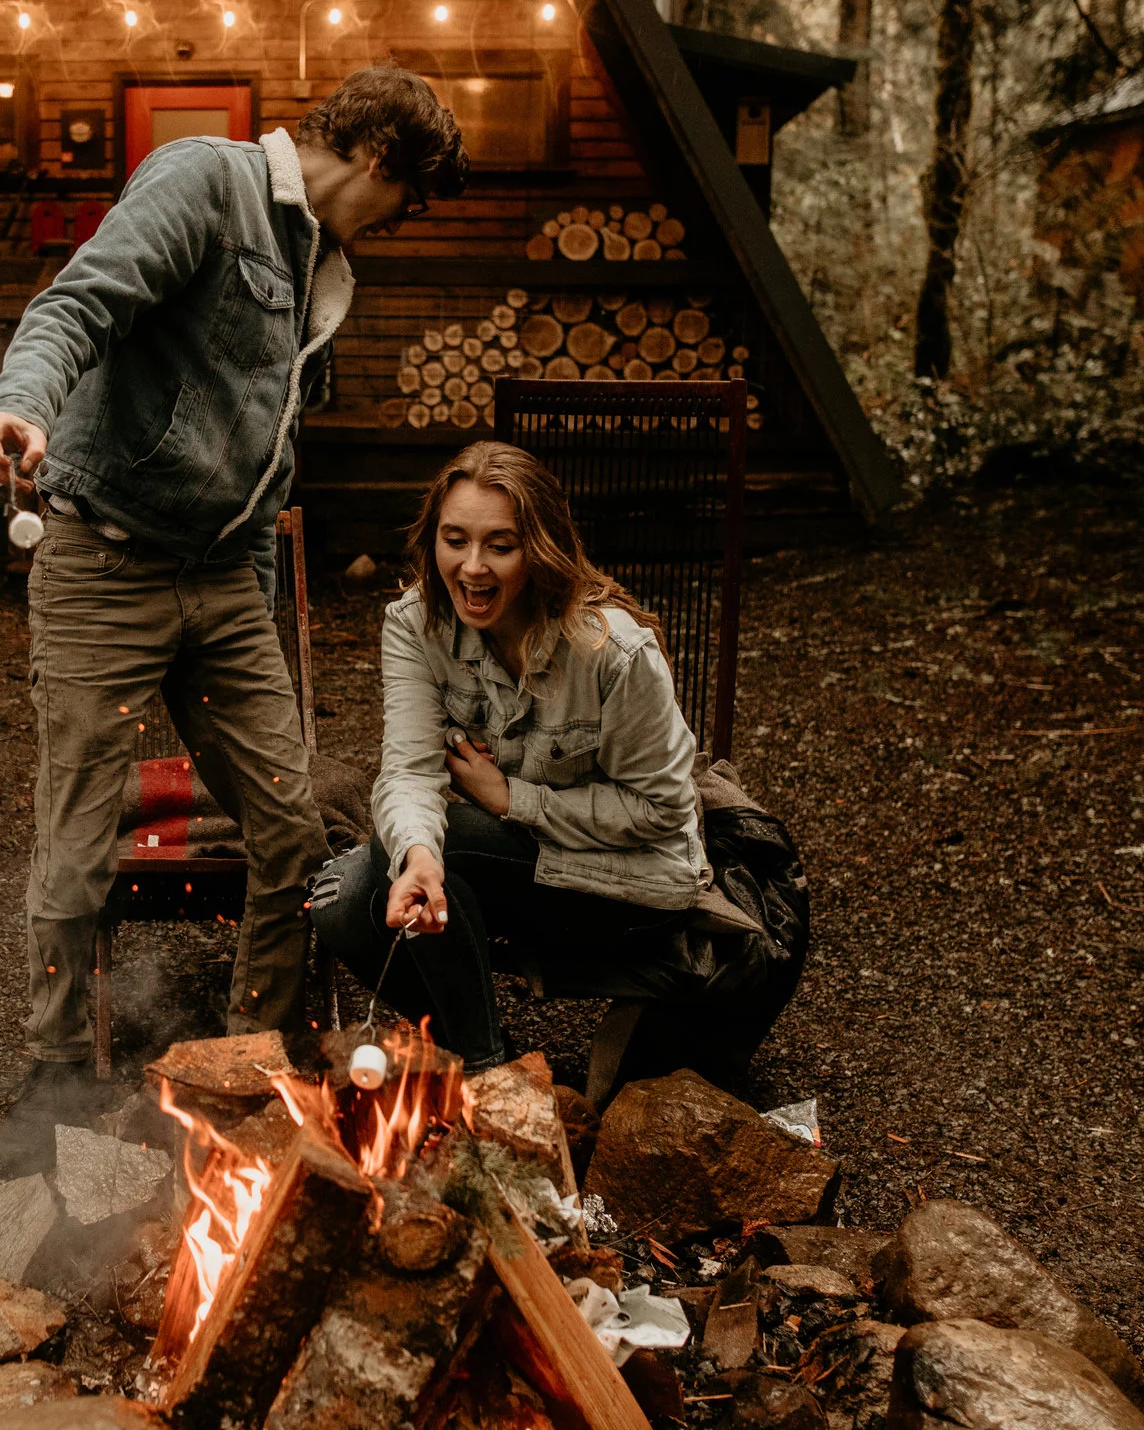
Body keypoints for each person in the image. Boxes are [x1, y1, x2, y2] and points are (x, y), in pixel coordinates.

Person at [0, 68, 470, 1145]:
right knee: (79, 822)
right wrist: (18, 400)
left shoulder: (319, 267)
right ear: (383, 159)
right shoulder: (208, 180)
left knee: (289, 824)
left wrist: (248, 611)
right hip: (103, 561)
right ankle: (54, 1067)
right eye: (409, 197)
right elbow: (76, 305)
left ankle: (251, 1060)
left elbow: (264, 456)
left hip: (221, 573)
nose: (400, 220)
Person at [312, 440, 789, 1079]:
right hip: (519, 867)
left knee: (433, 849)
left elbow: (664, 810)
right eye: (455, 540)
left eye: (499, 546)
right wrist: (415, 856)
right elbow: (408, 771)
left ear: (539, 549)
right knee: (348, 898)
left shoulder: (613, 653)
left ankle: (487, 1081)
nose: (472, 567)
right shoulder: (416, 624)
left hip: (629, 888)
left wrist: (511, 799)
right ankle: (485, 1052)